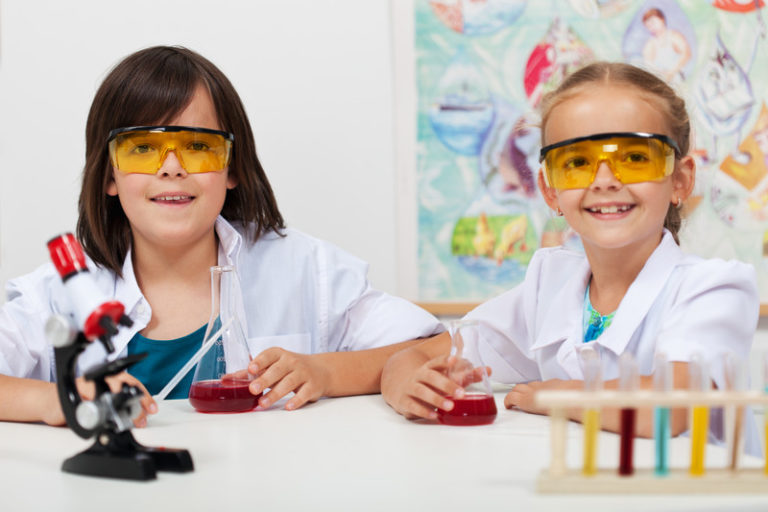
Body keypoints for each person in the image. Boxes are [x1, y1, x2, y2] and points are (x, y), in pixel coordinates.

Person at [0, 45, 442, 427]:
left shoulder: (306, 269)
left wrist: (327, 373)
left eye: (197, 147)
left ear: (232, 168)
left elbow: (438, 345)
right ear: (108, 176)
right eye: (143, 148)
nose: (171, 168)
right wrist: (58, 399)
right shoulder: (59, 293)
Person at [381, 61, 759, 450]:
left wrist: (559, 395)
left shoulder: (713, 288)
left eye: (634, 158)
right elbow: (418, 355)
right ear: (550, 191)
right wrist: (407, 381)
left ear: (680, 180)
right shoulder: (550, 284)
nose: (605, 180)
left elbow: (671, 407)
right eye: (577, 163)